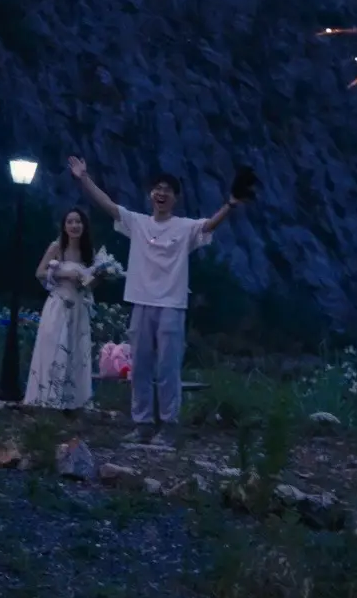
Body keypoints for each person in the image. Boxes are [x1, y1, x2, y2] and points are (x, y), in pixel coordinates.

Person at [68, 158, 241, 446]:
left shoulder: (184, 227)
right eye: (157, 189)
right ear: (151, 194)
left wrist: (230, 204)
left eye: (167, 190)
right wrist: (84, 177)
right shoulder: (138, 222)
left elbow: (210, 225)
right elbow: (108, 206)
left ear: (175, 198)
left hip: (171, 304)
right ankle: (143, 424)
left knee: (168, 367)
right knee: (140, 367)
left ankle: (169, 425)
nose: (161, 194)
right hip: (141, 301)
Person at [23, 208, 99, 413]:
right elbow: (40, 272)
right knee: (54, 346)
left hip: (79, 306)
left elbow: (90, 284)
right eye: (70, 222)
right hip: (59, 304)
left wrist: (96, 278)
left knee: (76, 350)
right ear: (64, 226)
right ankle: (47, 397)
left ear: (84, 225)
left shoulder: (88, 252)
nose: (74, 226)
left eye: (78, 222)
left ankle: (73, 401)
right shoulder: (57, 247)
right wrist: (64, 275)